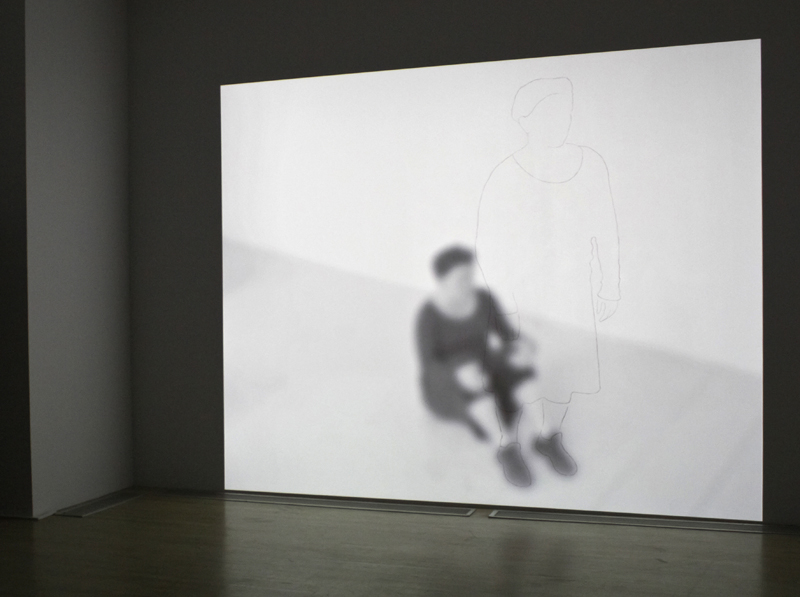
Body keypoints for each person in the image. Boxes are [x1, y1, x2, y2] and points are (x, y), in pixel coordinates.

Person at [475, 77, 621, 477]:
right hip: (522, 297)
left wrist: (610, 284)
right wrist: (504, 307)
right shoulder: (505, 174)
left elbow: (606, 227)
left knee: (563, 374)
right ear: (526, 119)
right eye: (548, 113)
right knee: (518, 374)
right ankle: (508, 444)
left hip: (571, 292)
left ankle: (546, 436)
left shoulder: (590, 164)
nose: (560, 121)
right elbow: (489, 245)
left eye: (564, 112)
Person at [415, 245, 537, 486]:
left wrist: (523, 345)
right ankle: (506, 449)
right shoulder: (428, 315)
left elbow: (507, 334)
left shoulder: (483, 298)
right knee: (477, 393)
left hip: (481, 365)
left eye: (471, 275)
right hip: (445, 382)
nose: (469, 282)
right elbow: (429, 364)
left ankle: (546, 436)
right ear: (443, 280)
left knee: (522, 369)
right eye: (461, 278)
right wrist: (456, 374)